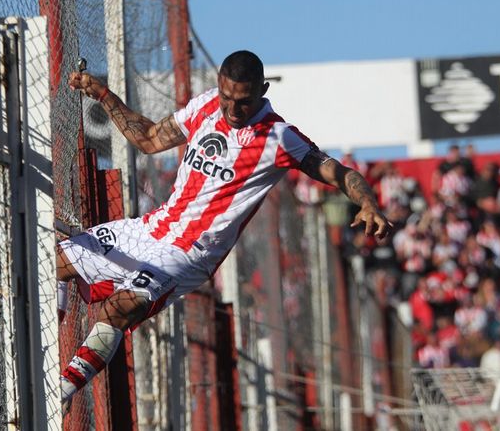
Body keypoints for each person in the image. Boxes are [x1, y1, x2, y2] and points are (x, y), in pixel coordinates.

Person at [57, 50, 392, 406]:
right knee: (53, 262)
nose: (232, 109)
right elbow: (150, 139)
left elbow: (338, 172)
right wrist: (105, 96)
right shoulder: (204, 106)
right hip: (151, 229)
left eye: (243, 102)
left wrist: (367, 202)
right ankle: (44, 351)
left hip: (188, 254)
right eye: (226, 97)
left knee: (120, 308)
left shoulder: (279, 138)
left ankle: (55, 395)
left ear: (262, 91)